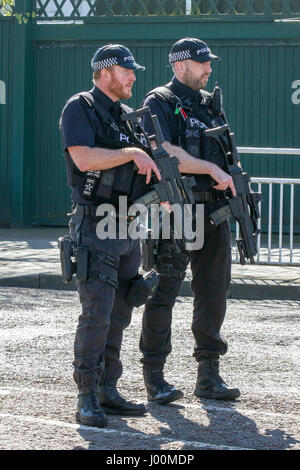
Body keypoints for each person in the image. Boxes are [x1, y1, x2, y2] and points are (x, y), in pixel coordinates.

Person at [59, 44, 162, 428]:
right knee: (96, 314)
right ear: (105, 72)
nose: (134, 76)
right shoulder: (80, 107)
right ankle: (86, 395)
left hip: (128, 226)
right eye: (127, 71)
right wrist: (132, 152)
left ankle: (108, 389)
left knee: (120, 313)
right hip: (94, 226)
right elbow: (84, 158)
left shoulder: (125, 116)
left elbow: (136, 170)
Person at [139, 38, 241, 403]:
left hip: (215, 211)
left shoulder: (208, 105)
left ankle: (208, 375)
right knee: (163, 292)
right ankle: (154, 375)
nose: (208, 68)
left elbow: (226, 153)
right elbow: (164, 150)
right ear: (179, 66)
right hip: (177, 209)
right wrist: (210, 168)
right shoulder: (160, 101)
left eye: (209, 63)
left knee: (214, 292)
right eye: (201, 64)